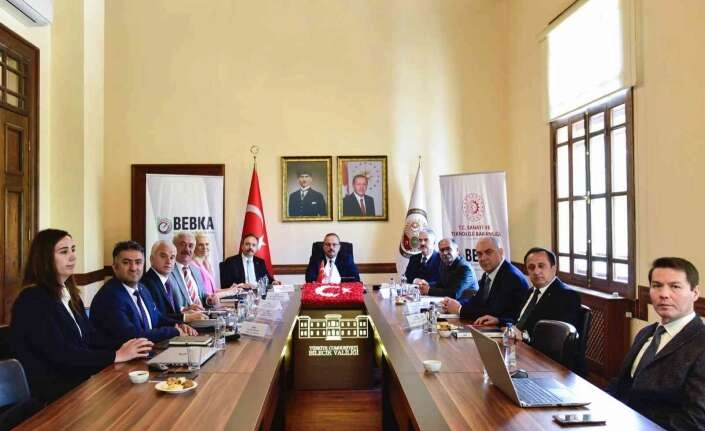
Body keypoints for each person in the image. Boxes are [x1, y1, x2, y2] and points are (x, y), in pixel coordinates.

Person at [10, 229, 153, 403]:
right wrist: (116, 355)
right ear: (44, 258)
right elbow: (61, 355)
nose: (72, 257)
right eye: (64, 252)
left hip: (80, 385)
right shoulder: (31, 300)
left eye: (73, 250)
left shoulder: (70, 293)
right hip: (52, 398)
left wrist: (128, 348)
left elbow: (91, 338)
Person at [608, 257, 705, 430]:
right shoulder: (646, 333)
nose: (664, 294)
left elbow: (694, 421)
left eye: (675, 286)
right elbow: (620, 385)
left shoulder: (701, 344)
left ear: (695, 293)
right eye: (657, 286)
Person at [90, 241, 197, 347]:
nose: (133, 268)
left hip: (149, 350)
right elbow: (133, 336)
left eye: (138, 262)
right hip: (123, 357)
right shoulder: (110, 297)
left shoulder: (142, 288)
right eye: (126, 263)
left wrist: (179, 325)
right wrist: (174, 331)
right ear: (115, 267)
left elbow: (158, 318)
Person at [475, 247, 580, 343]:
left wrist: (524, 336)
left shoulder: (567, 296)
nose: (536, 272)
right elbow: (519, 321)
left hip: (542, 355)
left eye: (541, 266)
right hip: (517, 344)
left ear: (553, 269)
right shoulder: (530, 292)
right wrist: (498, 320)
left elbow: (559, 338)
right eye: (531, 267)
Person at [442, 237, 529, 321]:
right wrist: (454, 304)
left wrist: (459, 309)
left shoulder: (511, 277)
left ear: (501, 252)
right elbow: (477, 301)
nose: (483, 258)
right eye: (479, 254)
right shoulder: (488, 274)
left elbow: (492, 312)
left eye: (488, 252)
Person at [141, 240, 206, 323]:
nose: (168, 261)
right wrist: (184, 317)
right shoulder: (146, 283)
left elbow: (169, 312)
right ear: (152, 259)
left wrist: (184, 311)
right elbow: (156, 317)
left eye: (172, 257)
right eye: (163, 256)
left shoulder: (167, 282)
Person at [170, 231, 218, 308]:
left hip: (203, 313)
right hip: (184, 315)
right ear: (174, 247)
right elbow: (167, 305)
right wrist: (186, 310)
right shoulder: (168, 272)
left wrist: (209, 300)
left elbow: (202, 295)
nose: (187, 249)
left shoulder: (196, 270)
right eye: (183, 244)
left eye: (191, 246)